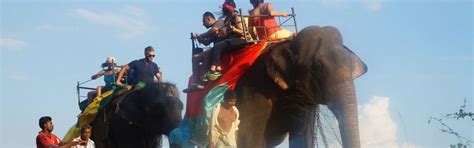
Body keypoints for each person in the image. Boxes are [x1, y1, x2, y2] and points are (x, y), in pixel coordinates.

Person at [208, 0, 248, 76]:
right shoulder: (227, 19)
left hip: (241, 39)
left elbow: (243, 32)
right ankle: (218, 67)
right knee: (216, 44)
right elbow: (227, 33)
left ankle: (214, 67)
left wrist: (233, 29)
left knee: (218, 46)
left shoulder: (237, 17)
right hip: (231, 39)